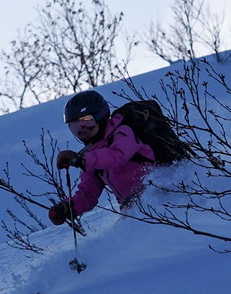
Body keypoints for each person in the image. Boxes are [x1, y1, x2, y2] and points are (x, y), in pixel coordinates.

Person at [47, 90, 155, 226]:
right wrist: (67, 208)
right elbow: (87, 195)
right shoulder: (92, 155)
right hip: (134, 209)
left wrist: (82, 160)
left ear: (101, 117)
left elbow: (117, 155)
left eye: (87, 122)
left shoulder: (123, 131)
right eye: (75, 127)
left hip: (162, 193)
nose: (82, 131)